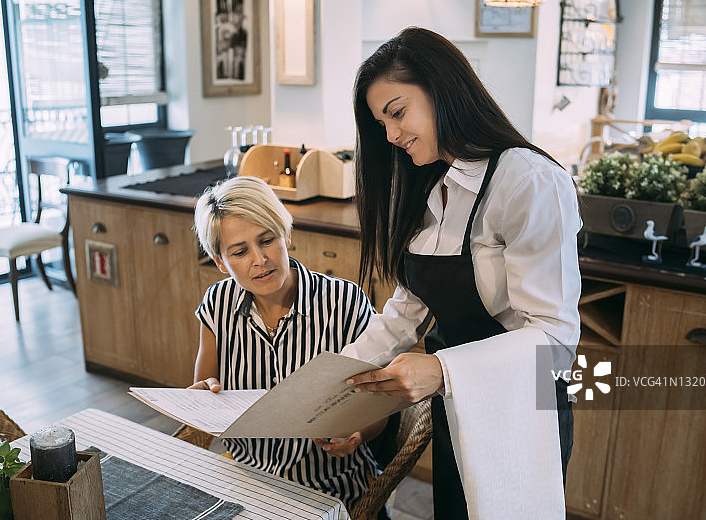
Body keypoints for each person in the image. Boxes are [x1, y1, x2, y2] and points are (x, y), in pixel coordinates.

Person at [334, 27, 581, 518]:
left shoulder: (528, 181)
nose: (391, 135)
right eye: (381, 122)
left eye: (397, 112)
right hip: (460, 402)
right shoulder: (431, 188)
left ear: (442, 90)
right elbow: (405, 314)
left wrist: (443, 369)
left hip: (521, 407)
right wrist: (334, 382)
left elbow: (555, 339)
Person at [189, 175, 386, 509]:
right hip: (245, 481)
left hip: (329, 489)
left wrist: (357, 434)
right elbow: (203, 392)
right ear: (221, 262)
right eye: (240, 252)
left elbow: (378, 403)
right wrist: (202, 398)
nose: (260, 259)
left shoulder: (345, 302)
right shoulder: (217, 304)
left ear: (287, 233)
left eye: (267, 240)